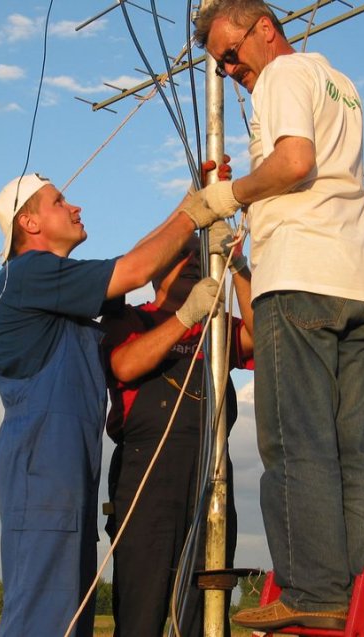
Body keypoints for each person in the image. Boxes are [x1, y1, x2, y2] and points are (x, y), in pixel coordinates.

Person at [193, 1, 364, 632]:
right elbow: (307, 173)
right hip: (360, 280)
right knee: (354, 448)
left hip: (301, 283)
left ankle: (314, 593)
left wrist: (230, 194)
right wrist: (252, 200)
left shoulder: (279, 77)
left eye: (230, 53)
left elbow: (295, 161)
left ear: (264, 29)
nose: (228, 70)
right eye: (219, 62)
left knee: (295, 441)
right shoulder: (339, 82)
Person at [0, 172, 235, 637]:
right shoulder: (27, 273)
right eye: (60, 201)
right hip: (41, 469)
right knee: (42, 616)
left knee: (70, 615)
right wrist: (196, 213)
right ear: (30, 222)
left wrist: (188, 206)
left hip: (67, 470)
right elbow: (136, 270)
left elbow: (132, 263)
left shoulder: (61, 288)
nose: (75, 207)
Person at [102, 221, 254, 637]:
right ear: (154, 268)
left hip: (212, 470)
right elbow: (125, 364)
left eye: (198, 253)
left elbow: (265, 336)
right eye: (179, 254)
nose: (191, 261)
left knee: (207, 604)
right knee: (141, 608)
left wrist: (239, 267)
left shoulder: (219, 326)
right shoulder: (132, 319)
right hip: (146, 473)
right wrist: (186, 318)